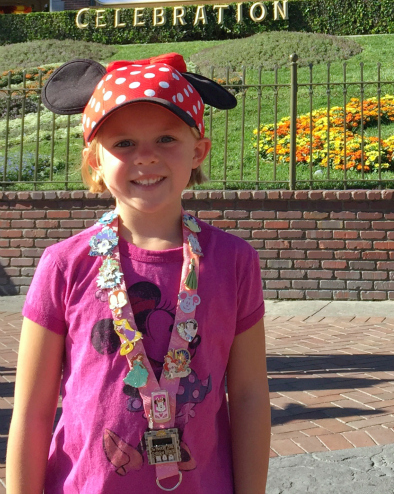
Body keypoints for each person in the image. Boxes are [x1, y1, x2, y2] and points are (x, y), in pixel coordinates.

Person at [6, 53, 271, 494]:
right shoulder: (64, 264)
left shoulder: (234, 261)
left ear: (198, 150)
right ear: (95, 159)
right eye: (124, 143)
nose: (146, 157)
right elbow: (32, 411)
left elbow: (247, 397)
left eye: (166, 139)